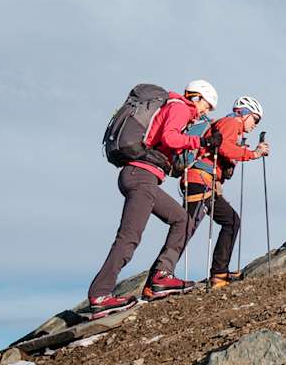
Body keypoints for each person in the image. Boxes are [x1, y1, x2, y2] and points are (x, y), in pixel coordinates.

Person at [87, 80, 223, 319]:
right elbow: (170, 138)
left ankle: (161, 276)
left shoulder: (174, 107)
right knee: (129, 237)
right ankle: (100, 294)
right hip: (141, 176)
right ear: (197, 98)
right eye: (208, 106)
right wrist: (200, 141)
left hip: (143, 177)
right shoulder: (181, 107)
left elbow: (165, 143)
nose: (206, 112)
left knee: (182, 219)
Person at [181, 95, 270, 289]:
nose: (255, 124)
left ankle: (219, 273)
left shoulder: (229, 126)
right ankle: (161, 276)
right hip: (200, 181)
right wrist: (253, 153)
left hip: (203, 182)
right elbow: (226, 149)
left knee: (227, 221)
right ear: (244, 114)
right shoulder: (231, 122)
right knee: (186, 229)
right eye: (255, 119)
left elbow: (225, 152)